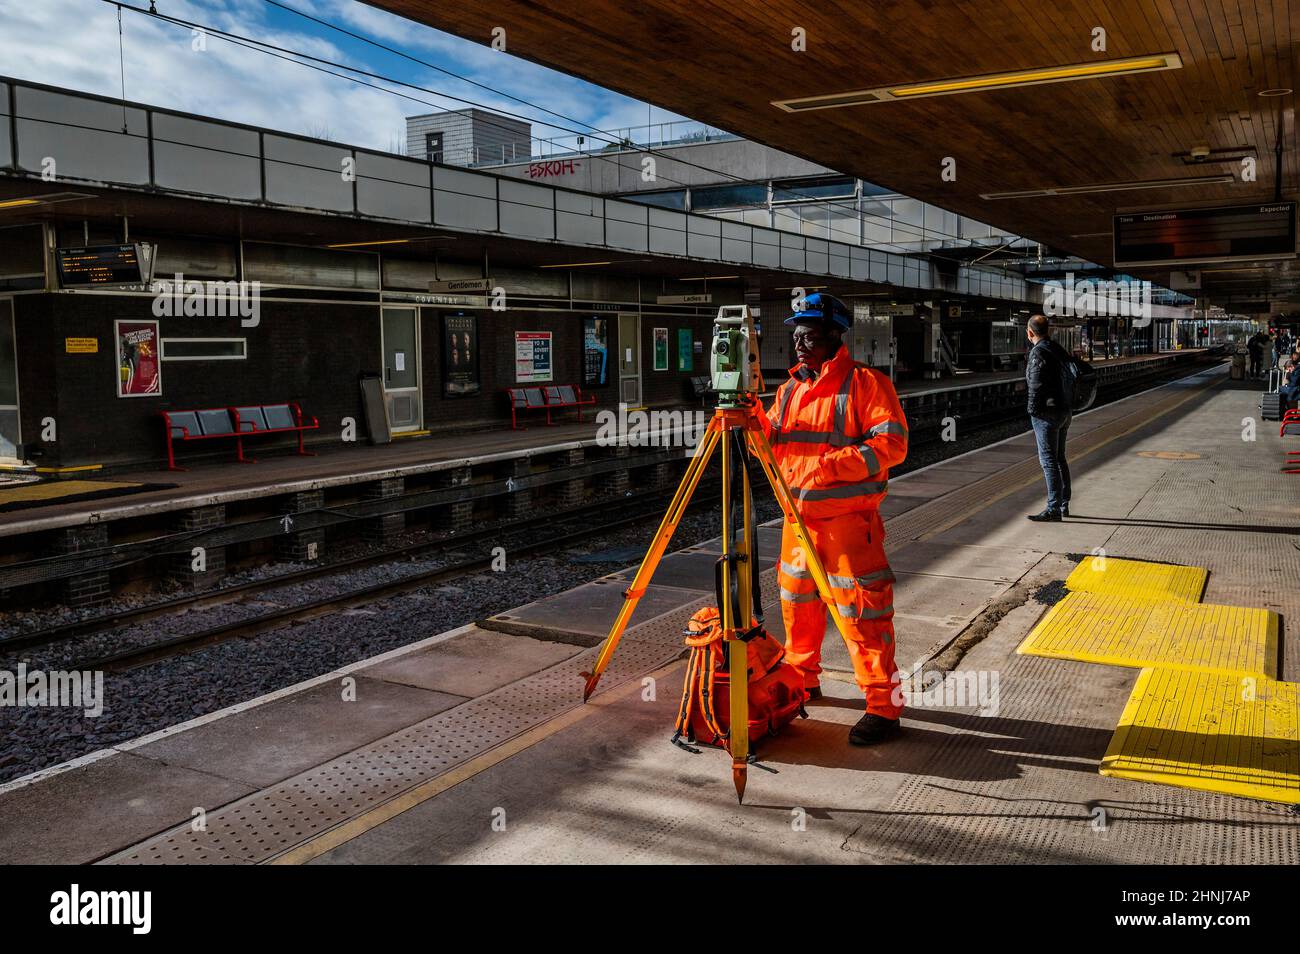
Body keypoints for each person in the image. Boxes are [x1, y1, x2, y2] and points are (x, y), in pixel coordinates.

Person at [758, 292, 909, 746]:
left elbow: (892, 446)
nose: (800, 342)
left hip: (847, 525)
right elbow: (771, 446)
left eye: (809, 333)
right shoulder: (788, 391)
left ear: (834, 336)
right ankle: (803, 680)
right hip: (795, 524)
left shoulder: (866, 384)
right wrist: (750, 423)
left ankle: (884, 707)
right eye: (796, 334)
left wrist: (825, 467)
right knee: (797, 608)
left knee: (862, 616)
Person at [1025, 314, 1073, 521]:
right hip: (1064, 410)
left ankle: (1053, 509)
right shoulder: (1057, 349)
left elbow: (1035, 385)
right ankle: (1063, 504)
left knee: (1048, 460)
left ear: (1029, 333)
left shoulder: (1038, 353)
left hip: (1048, 413)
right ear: (1048, 331)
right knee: (1060, 458)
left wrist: (1032, 411)